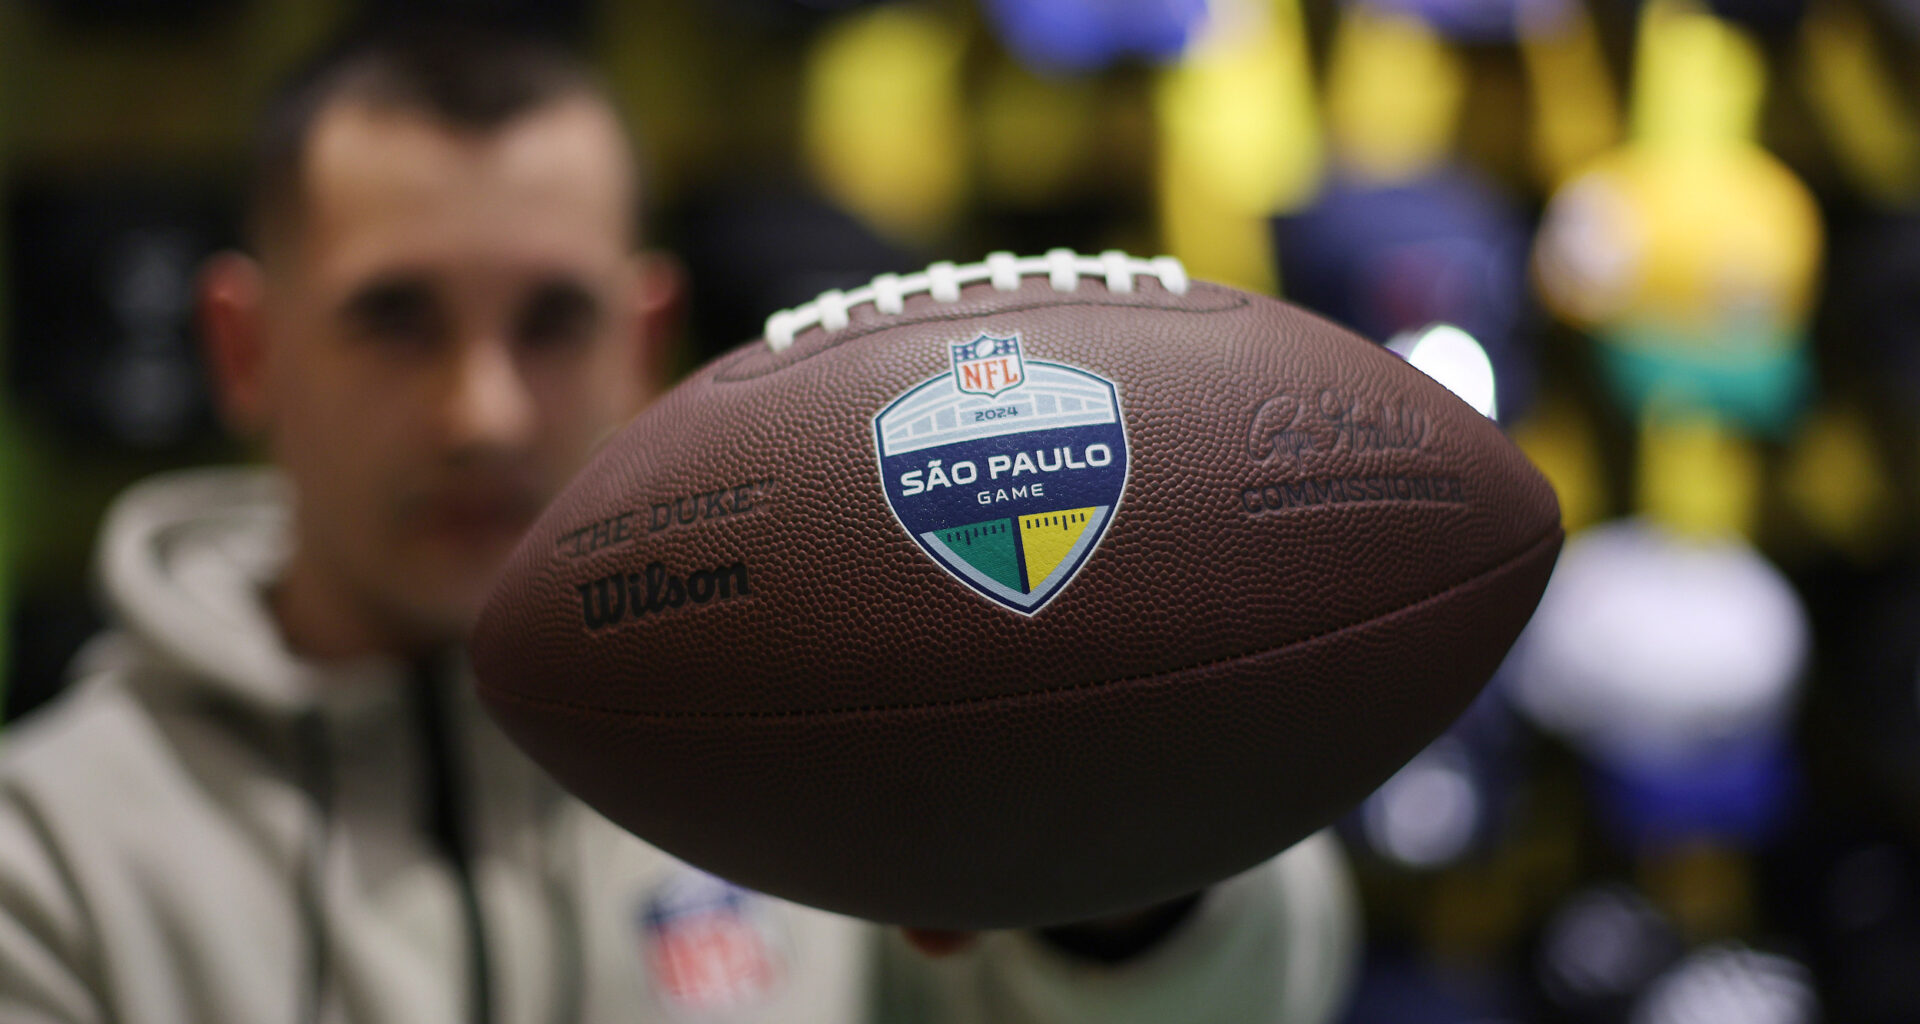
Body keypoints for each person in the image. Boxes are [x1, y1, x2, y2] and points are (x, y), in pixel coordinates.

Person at [0, 21, 1357, 1024]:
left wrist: (1134, 887)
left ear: (644, 340)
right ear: (245, 349)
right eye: (395, 320)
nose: (481, 414)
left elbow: (1242, 994)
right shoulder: (51, 853)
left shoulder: (813, 745)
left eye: (554, 321)